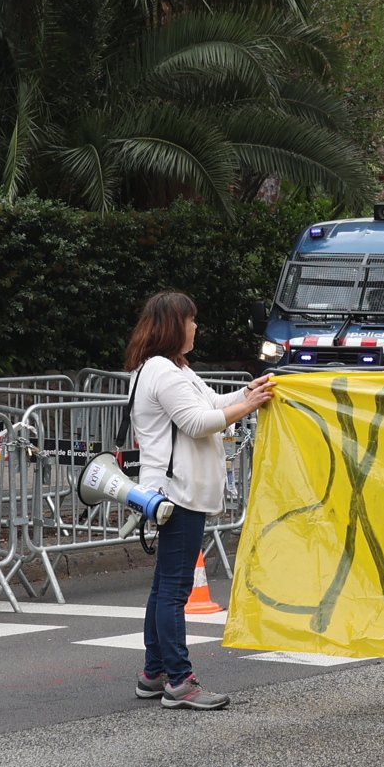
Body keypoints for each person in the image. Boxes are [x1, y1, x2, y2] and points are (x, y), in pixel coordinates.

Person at [123, 289, 271, 713]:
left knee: (164, 586)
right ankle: (180, 682)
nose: (196, 326)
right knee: (174, 589)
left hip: (175, 489)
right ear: (174, 326)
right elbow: (197, 422)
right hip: (178, 490)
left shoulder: (172, 368)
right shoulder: (164, 373)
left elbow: (210, 402)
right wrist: (249, 407)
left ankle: (154, 673)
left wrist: (248, 392)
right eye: (191, 320)